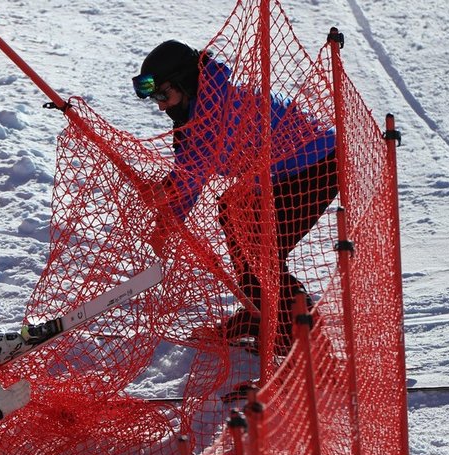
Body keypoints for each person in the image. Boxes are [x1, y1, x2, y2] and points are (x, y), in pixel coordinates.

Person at [133, 39, 338, 349]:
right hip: (281, 171)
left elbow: (190, 178)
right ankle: (263, 314)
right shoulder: (200, 105)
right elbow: (189, 171)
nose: (161, 106)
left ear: (185, 84)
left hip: (318, 164)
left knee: (260, 252)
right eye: (156, 98)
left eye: (164, 94)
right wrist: (166, 206)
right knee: (233, 213)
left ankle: (304, 344)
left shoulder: (211, 114)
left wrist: (163, 218)